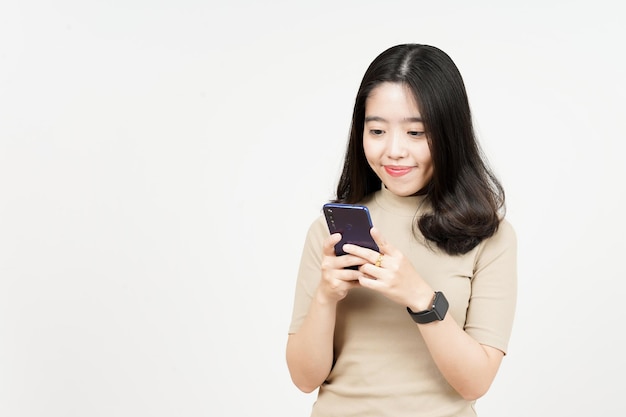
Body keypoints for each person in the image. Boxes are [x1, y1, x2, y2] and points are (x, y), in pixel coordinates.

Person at [286, 43, 517, 417]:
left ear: (449, 135)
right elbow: (303, 378)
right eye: (377, 130)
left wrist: (420, 296)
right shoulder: (328, 232)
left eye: (416, 133)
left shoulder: (490, 236)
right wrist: (326, 297)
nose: (393, 150)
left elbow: (476, 383)